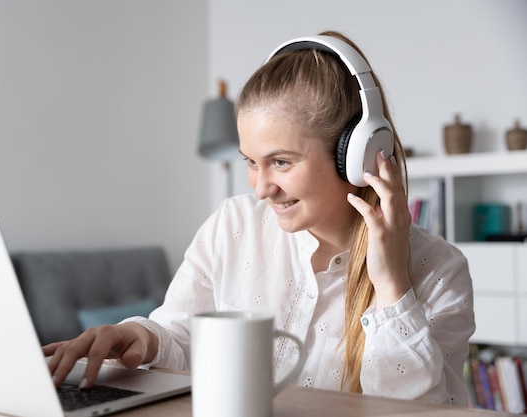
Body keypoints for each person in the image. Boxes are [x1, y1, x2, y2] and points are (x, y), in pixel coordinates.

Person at [43, 30, 475, 406]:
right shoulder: (231, 225)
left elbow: (418, 409)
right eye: (251, 161)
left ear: (356, 154)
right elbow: (180, 333)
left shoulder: (440, 272)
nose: (260, 188)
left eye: (281, 162)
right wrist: (140, 338)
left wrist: (392, 287)